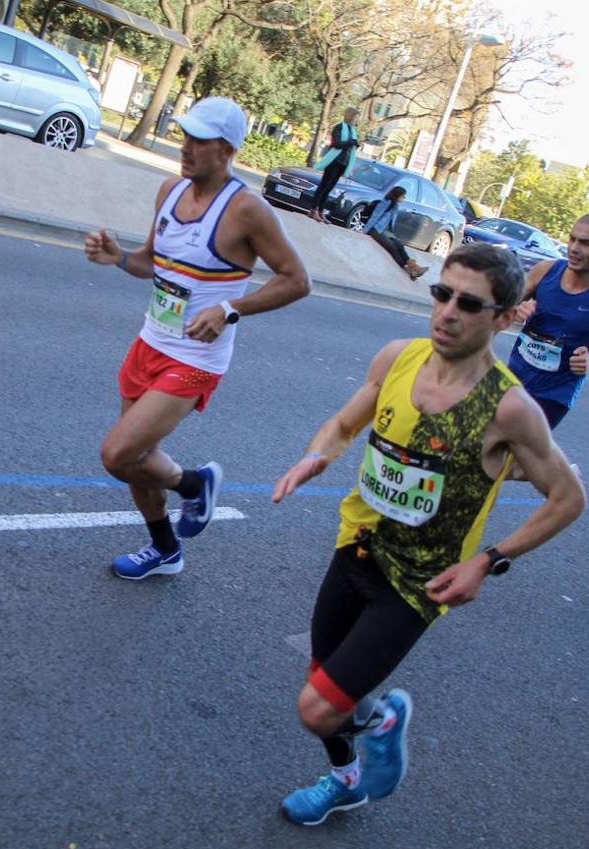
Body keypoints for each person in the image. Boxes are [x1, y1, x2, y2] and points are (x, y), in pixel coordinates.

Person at [269, 242, 586, 826]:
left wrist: (487, 560)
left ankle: (363, 749)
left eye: (469, 303)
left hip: (420, 583)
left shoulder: (510, 409)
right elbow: (343, 424)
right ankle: (352, 769)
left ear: (505, 318)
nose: (447, 312)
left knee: (315, 709)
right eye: (442, 294)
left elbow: (568, 498)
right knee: (324, 677)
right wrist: (317, 457)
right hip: (358, 544)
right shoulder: (398, 358)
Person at [84, 97, 311, 579]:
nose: (185, 147)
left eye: (198, 140)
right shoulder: (169, 190)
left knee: (118, 455)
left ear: (226, 150)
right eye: (184, 135)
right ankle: (166, 549)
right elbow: (152, 261)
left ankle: (192, 485)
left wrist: (230, 309)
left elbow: (296, 279)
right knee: (137, 460)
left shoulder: (248, 210)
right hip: (150, 341)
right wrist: (119, 257)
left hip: (194, 358)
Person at [507, 212, 589, 429]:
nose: (574, 248)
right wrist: (515, 310)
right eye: (572, 239)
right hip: (513, 377)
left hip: (554, 394)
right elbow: (500, 308)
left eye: (585, 243)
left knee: (521, 451)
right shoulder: (544, 271)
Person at [362, 185, 429, 280]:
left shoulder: (396, 206)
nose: (404, 198)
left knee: (400, 245)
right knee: (392, 247)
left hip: (387, 231)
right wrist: (365, 230)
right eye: (403, 196)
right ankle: (412, 270)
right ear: (397, 196)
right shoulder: (386, 203)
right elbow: (375, 216)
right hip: (376, 230)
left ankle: (414, 269)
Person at [308, 107, 359, 224]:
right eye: (356, 117)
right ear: (350, 116)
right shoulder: (339, 127)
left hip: (343, 163)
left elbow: (350, 147)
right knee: (324, 186)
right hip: (334, 161)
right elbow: (336, 143)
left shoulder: (352, 130)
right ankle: (313, 209)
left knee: (329, 188)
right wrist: (351, 143)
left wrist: (355, 144)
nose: (357, 120)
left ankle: (321, 211)